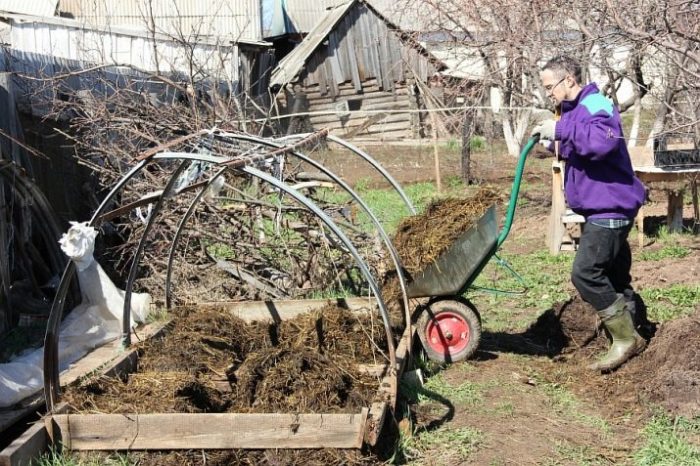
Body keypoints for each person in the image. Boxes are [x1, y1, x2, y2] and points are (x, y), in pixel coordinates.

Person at [530, 55, 648, 372]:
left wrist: (561, 128)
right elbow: (582, 149)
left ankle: (626, 340)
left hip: (610, 206)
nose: (548, 94)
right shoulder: (577, 111)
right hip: (603, 206)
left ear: (569, 79)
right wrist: (552, 143)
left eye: (549, 86)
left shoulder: (597, 103)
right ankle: (638, 332)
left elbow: (602, 143)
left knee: (585, 273)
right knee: (614, 276)